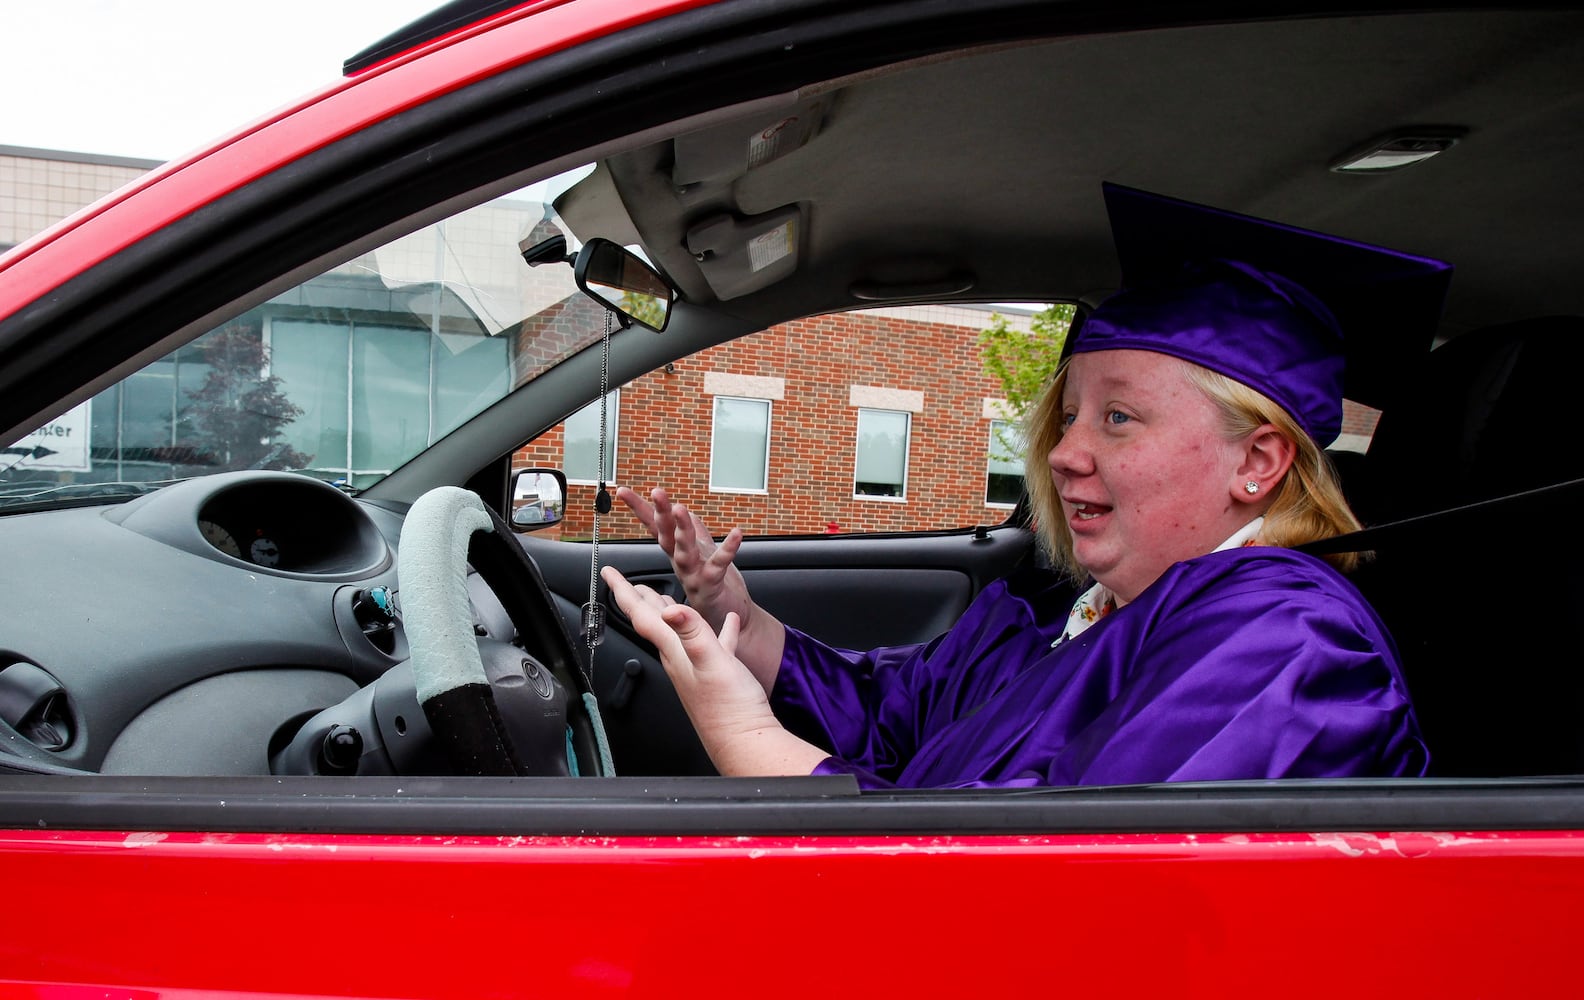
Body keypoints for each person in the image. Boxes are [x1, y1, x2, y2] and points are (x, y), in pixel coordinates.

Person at [600, 183, 1446, 788]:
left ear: (1257, 464)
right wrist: (734, 622)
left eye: (1118, 419)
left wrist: (746, 735)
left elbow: (1045, 902)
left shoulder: (1283, 642)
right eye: (1069, 417)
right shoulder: (1078, 616)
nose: (1064, 453)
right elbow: (898, 711)